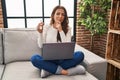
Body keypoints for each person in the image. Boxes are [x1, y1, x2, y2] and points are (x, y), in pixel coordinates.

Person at [30, 5, 85, 78]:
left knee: (80, 54)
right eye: (58, 13)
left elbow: (67, 46)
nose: (60, 16)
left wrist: (60, 30)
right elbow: (40, 45)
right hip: (49, 60)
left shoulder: (68, 28)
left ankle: (49, 70)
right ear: (53, 15)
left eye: (63, 14)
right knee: (34, 58)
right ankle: (65, 71)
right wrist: (40, 33)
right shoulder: (47, 27)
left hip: (63, 59)